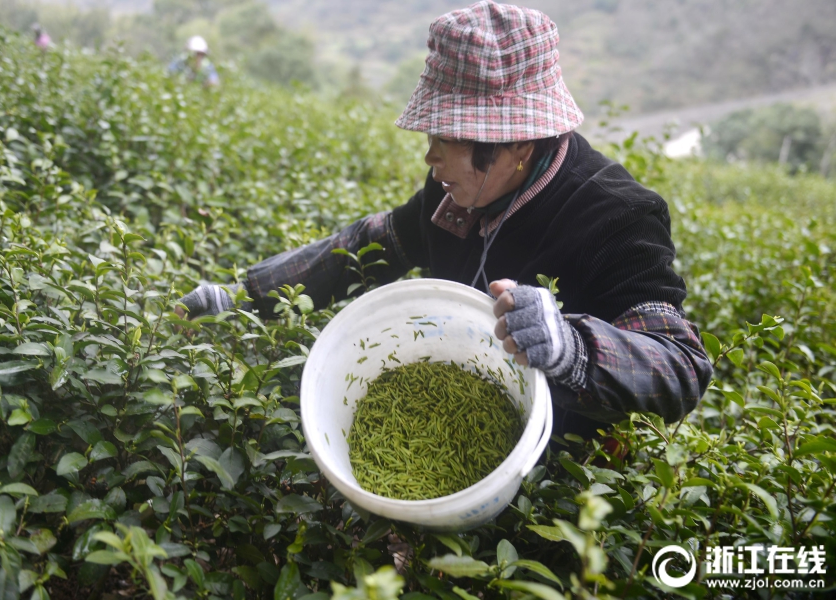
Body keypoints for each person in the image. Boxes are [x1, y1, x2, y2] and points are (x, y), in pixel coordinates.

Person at [176, 0, 712, 439]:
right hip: (452, 407)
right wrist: (245, 296)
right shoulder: (462, 187)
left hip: (556, 458)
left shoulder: (617, 215)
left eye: (444, 140)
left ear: (514, 143)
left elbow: (680, 364)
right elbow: (377, 242)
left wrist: (572, 348)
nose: (430, 159)